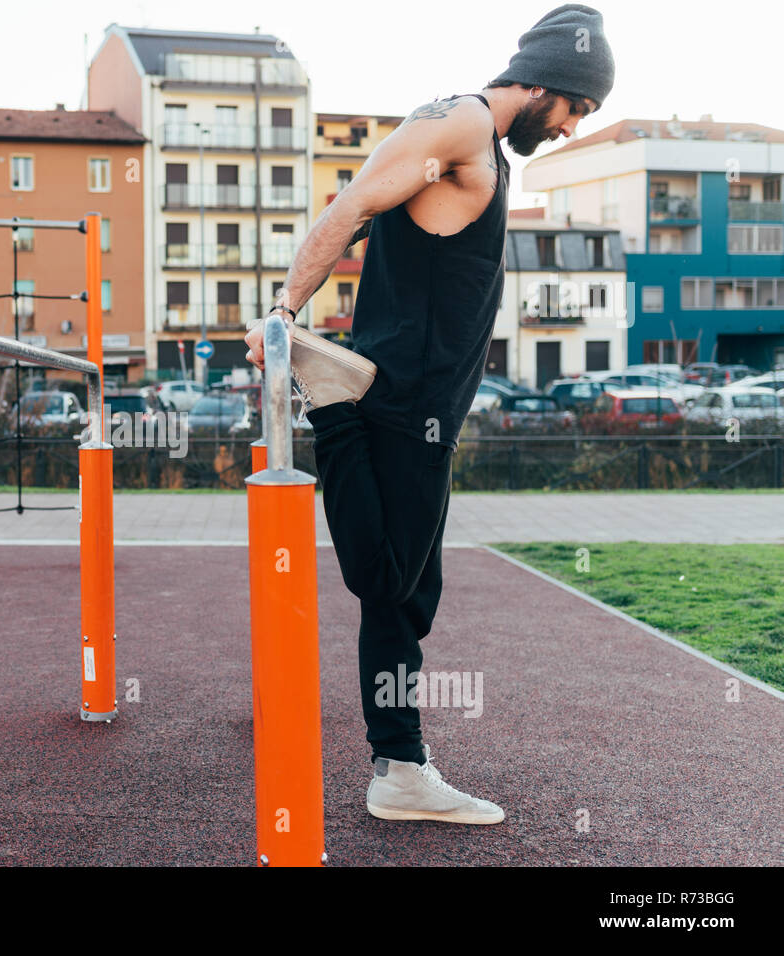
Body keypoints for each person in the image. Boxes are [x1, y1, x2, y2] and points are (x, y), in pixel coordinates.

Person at [244, 4, 614, 824]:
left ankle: (401, 766)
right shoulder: (457, 127)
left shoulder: (476, 143)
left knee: (411, 598)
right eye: (579, 109)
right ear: (551, 81)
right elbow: (349, 209)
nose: (572, 127)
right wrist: (282, 315)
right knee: (388, 582)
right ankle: (400, 768)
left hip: (428, 409)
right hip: (401, 402)